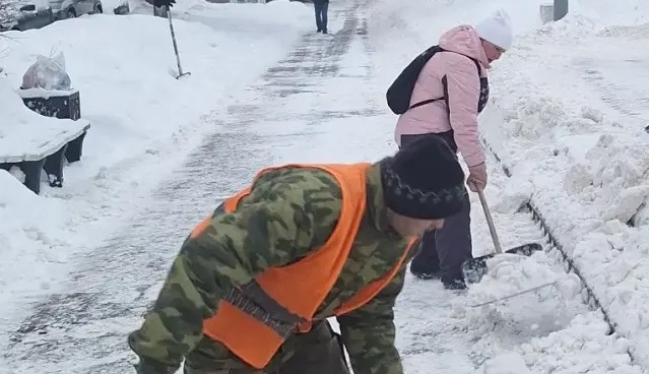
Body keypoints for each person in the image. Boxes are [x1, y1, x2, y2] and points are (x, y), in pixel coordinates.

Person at [127, 135, 470, 374]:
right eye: (434, 214)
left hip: (298, 330)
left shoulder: (403, 234)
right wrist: (157, 361)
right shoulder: (314, 202)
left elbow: (371, 318)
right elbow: (207, 257)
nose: (439, 226)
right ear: (407, 200)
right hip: (226, 333)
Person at [394, 9, 513, 290]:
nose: (498, 56)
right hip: (427, 140)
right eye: (497, 48)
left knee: (433, 198)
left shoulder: (458, 55)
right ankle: (457, 272)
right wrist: (477, 167)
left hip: (419, 137)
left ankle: (427, 263)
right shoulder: (460, 63)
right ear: (483, 40)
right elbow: (464, 122)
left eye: (503, 51)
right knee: (453, 203)